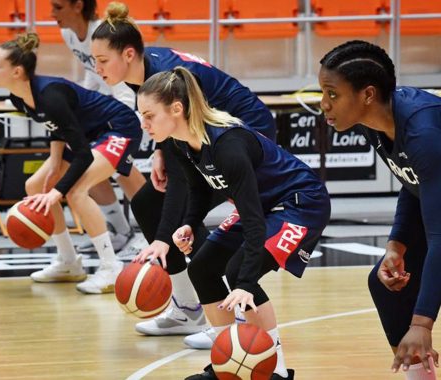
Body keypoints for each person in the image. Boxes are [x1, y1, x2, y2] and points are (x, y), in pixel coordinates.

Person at [91, 1, 277, 346]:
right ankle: (189, 307)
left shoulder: (166, 75)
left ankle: (224, 312)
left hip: (247, 134)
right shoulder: (145, 74)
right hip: (209, 136)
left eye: (102, 60)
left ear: (128, 54)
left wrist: (163, 239)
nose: (96, 68)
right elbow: (171, 131)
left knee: (177, 209)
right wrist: (161, 150)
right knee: (149, 203)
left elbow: (182, 179)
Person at [137, 66, 330, 380]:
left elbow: (253, 221)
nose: (144, 125)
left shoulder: (228, 145)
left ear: (176, 109)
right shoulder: (180, 142)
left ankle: (277, 372)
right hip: (264, 205)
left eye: (149, 115)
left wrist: (243, 284)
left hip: (300, 203)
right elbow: (198, 188)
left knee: (240, 272)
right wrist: (189, 223)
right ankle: (225, 361)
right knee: (201, 268)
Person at [319, 40, 441, 378]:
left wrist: (422, 323)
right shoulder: (373, 122)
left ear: (367, 95)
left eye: (332, 94)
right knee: (386, 285)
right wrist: (396, 247)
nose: (323, 104)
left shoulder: (424, 134)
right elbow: (413, 182)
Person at [0, 33, 142, 294]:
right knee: (35, 186)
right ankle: (69, 261)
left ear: (17, 71)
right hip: (88, 135)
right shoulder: (20, 97)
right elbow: (57, 128)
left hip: (118, 127)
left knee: (76, 192)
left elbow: (83, 155)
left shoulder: (50, 95)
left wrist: (57, 191)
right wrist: (56, 163)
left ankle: (110, 267)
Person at [49, 0, 147, 253]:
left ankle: (154, 230)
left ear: (78, 5)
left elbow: (124, 79)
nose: (52, 14)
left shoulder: (103, 31)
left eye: (58, 7)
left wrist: (126, 114)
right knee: (86, 164)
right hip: (100, 108)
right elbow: (92, 74)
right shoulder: (68, 33)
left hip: (127, 105)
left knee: (122, 170)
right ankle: (120, 231)